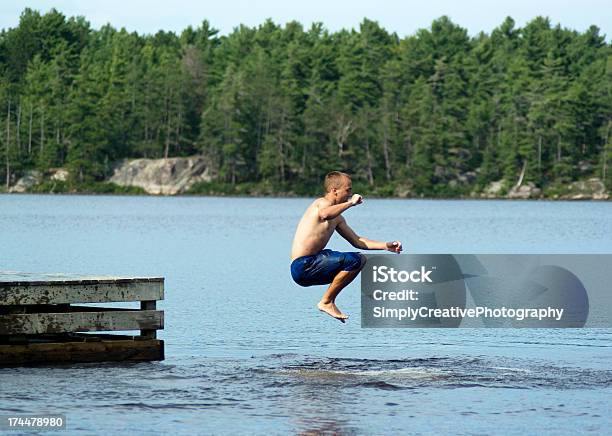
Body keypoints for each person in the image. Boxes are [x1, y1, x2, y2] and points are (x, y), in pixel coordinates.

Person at [290, 171, 403, 323]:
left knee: (359, 261)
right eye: (348, 190)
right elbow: (324, 214)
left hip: (311, 267)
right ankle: (326, 302)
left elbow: (357, 241)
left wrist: (385, 245)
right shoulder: (321, 203)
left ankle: (327, 301)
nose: (350, 194)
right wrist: (351, 203)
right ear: (334, 190)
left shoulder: (337, 218)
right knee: (354, 260)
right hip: (302, 266)